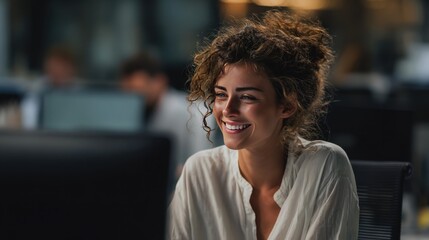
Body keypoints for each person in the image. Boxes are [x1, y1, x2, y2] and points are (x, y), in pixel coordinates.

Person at [168, 10, 359, 240]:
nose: (227, 110)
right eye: (221, 94)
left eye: (247, 97)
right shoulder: (199, 172)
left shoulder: (325, 166)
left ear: (287, 106)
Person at [119, 53, 213, 183]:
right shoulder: (140, 111)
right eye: (129, 91)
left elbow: (199, 162)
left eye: (139, 89)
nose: (135, 97)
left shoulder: (184, 111)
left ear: (160, 81)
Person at [21, 45, 81, 129]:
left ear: (71, 68)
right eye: (53, 67)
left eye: (61, 67)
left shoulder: (82, 94)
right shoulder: (38, 90)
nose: (56, 72)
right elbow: (28, 120)